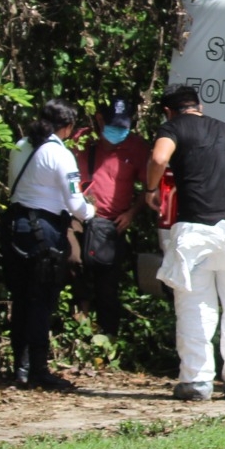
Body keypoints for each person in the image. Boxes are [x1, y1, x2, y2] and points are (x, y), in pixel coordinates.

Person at [144, 85, 225, 401]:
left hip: (195, 228)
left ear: (168, 111)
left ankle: (196, 381)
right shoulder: (224, 129)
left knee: (195, 306)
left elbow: (159, 157)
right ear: (199, 106)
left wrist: (150, 188)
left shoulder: (172, 127)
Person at [4, 98, 97, 390]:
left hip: (14, 227)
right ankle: (39, 370)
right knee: (41, 300)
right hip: (43, 232)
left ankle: (21, 366)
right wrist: (91, 212)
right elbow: (75, 203)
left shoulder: (20, 146)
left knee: (20, 298)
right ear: (67, 126)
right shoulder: (59, 154)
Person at [74, 95, 149, 336]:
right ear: (99, 120)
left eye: (122, 127)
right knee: (77, 275)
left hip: (111, 226)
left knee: (107, 288)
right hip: (80, 219)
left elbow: (150, 188)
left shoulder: (136, 147)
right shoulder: (82, 141)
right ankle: (79, 332)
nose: (118, 132)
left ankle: (108, 338)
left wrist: (131, 214)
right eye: (113, 126)